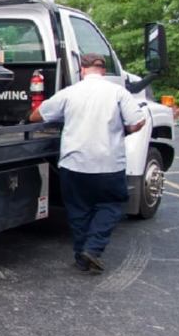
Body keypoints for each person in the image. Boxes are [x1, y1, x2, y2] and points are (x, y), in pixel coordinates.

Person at [29, 53, 145, 272]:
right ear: (103, 70)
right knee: (111, 205)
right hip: (108, 164)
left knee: (78, 210)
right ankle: (92, 250)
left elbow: (36, 116)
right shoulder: (118, 92)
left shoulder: (69, 93)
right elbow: (137, 121)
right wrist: (125, 129)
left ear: (82, 69)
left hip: (74, 164)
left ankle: (81, 254)